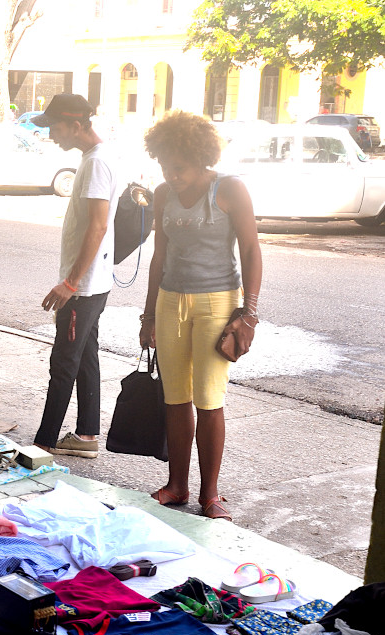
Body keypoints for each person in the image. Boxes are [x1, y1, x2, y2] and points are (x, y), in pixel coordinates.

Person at [140, 110, 262, 521]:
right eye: (164, 166)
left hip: (217, 303)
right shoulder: (162, 193)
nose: (172, 175)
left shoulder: (229, 189)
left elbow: (250, 250)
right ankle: (178, 485)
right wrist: (147, 316)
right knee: (176, 399)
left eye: (180, 168)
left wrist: (249, 313)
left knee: (210, 401)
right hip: (171, 302)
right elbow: (160, 254)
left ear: (201, 158)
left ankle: (210, 495)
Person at [32, 94, 121, 459]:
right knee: (85, 356)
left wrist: (70, 283)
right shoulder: (95, 158)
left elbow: (98, 226)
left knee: (64, 361)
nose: (51, 134)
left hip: (84, 287)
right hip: (93, 283)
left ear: (77, 126)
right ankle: (85, 436)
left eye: (54, 127)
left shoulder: (97, 163)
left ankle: (43, 442)